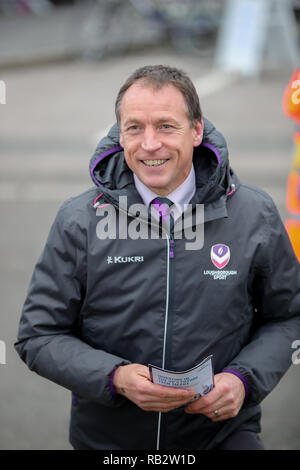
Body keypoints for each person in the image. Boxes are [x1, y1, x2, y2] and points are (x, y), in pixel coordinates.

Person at [15, 65, 300, 450]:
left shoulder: (254, 213)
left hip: (221, 435)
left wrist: (244, 379)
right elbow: (38, 335)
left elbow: (288, 317)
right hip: (109, 442)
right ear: (119, 134)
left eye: (166, 126)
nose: (149, 144)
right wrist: (113, 377)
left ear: (196, 130)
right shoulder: (79, 219)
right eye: (134, 128)